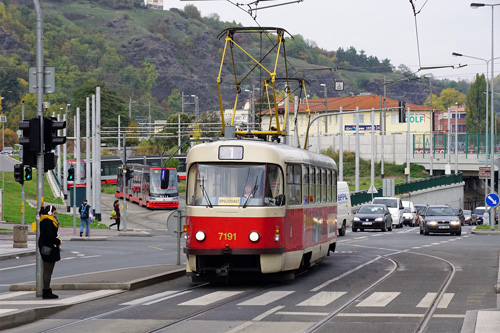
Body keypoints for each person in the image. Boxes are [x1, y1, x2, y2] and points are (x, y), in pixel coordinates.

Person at [38, 205, 61, 299]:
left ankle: (46, 291)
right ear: (50, 212)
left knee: (47, 271)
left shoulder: (44, 220)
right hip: (49, 249)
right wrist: (57, 241)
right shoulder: (48, 221)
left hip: (45, 247)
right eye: (54, 213)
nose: (54, 215)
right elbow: (49, 236)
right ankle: (46, 291)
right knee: (48, 271)